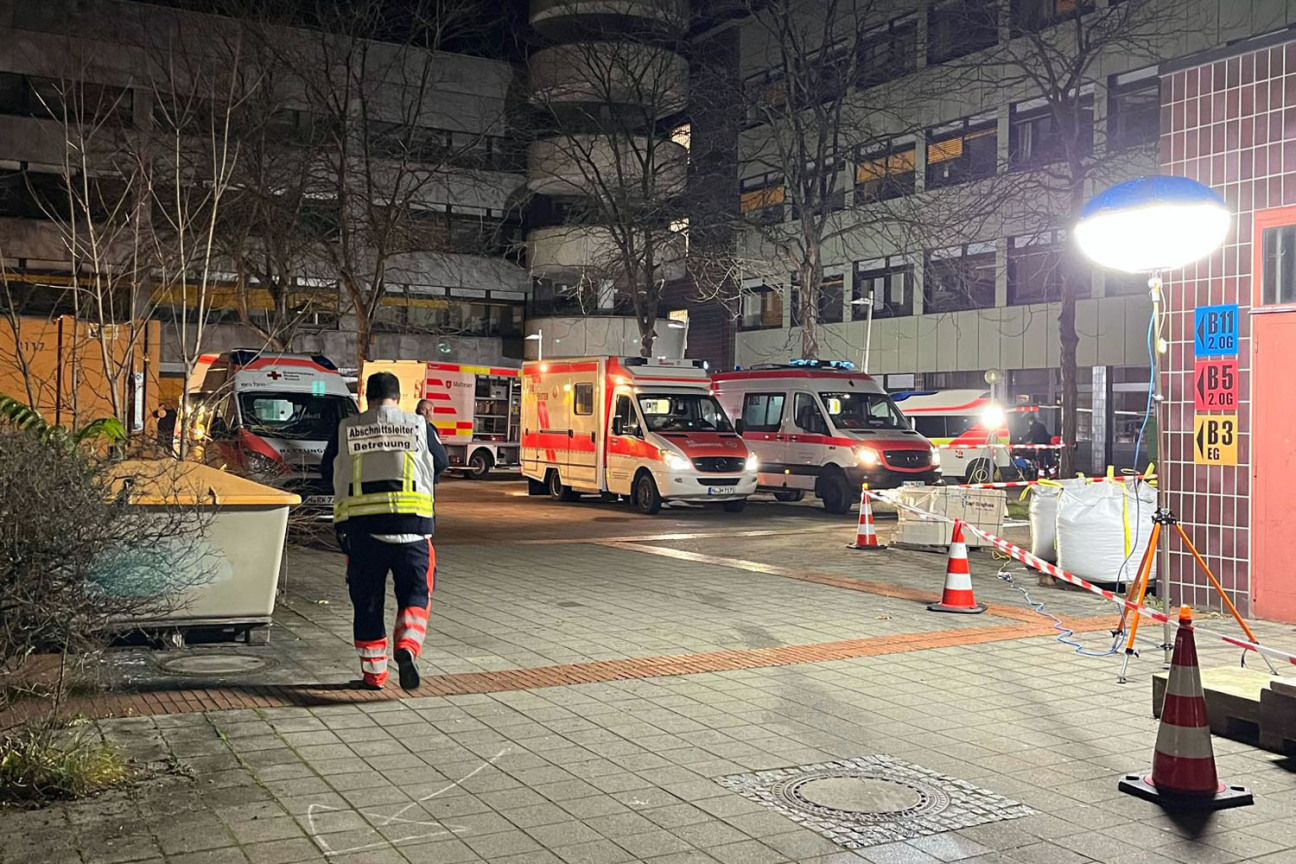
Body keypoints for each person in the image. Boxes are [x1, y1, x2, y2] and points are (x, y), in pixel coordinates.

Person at [325, 372, 441, 691]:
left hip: (363, 532)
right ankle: (407, 646)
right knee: (416, 592)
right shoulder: (419, 425)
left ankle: (374, 675)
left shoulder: (347, 428)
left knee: (368, 603)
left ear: (367, 398)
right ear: (398, 398)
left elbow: (327, 469)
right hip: (413, 530)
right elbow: (441, 462)